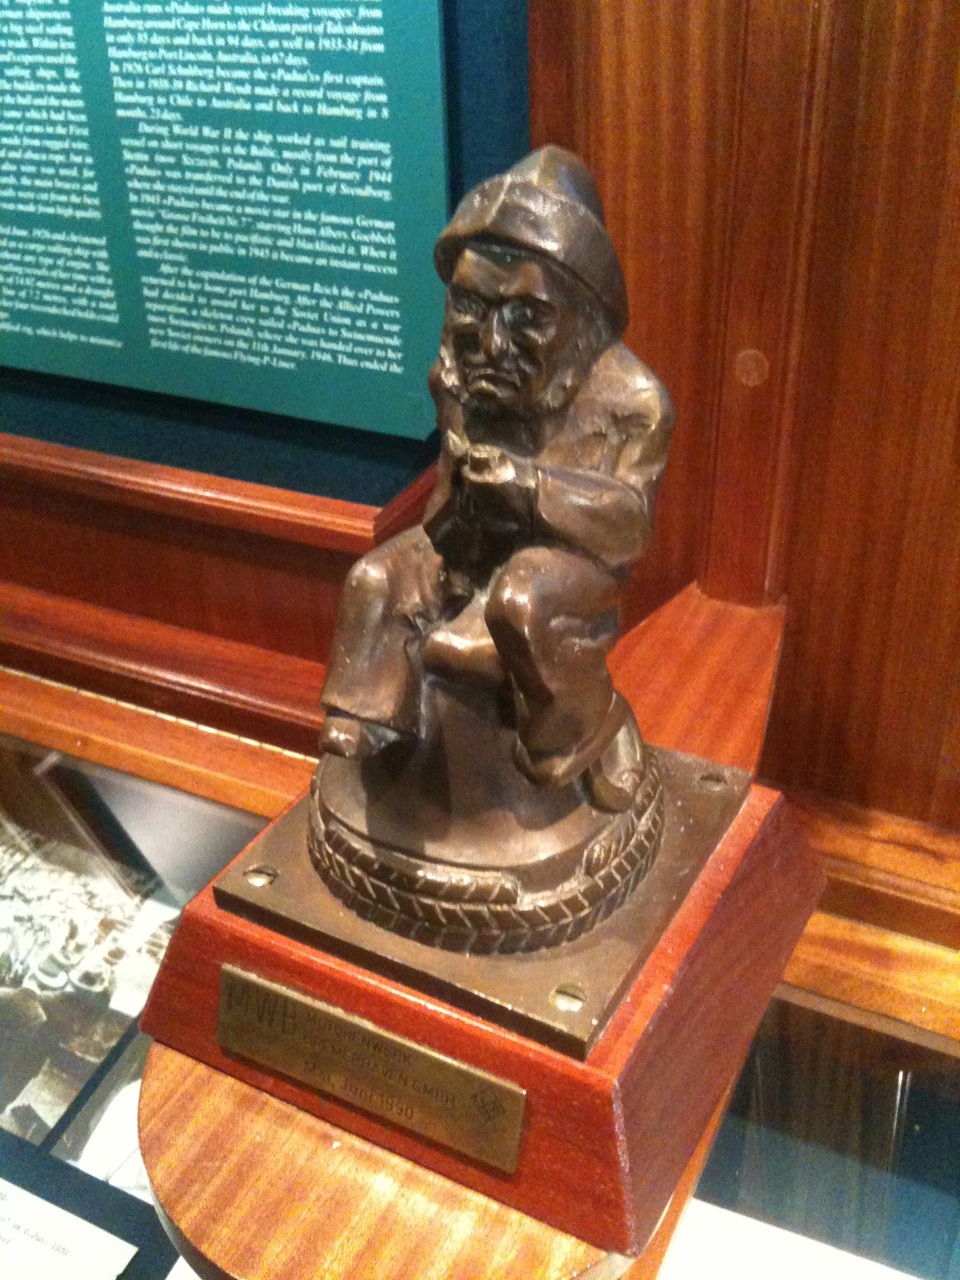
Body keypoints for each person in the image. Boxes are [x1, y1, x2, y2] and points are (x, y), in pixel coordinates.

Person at [320, 146, 673, 806]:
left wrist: (527, 488)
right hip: (470, 543)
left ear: (580, 319)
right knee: (373, 580)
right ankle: (381, 730)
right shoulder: (461, 378)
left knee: (518, 601)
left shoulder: (634, 401)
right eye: (470, 307)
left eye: (527, 317)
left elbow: (628, 526)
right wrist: (461, 505)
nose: (491, 344)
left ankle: (586, 727)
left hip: (568, 566)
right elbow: (440, 510)